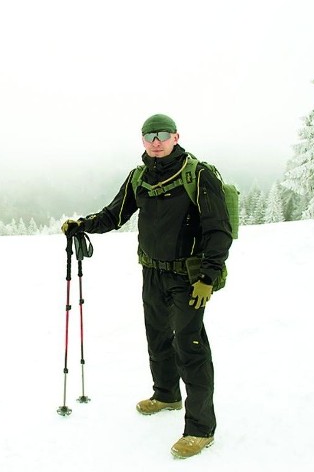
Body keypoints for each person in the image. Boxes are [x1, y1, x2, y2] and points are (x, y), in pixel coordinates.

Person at [62, 113, 233, 459]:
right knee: (157, 336)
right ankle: (167, 393)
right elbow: (114, 215)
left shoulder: (197, 175)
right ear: (143, 141)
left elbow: (219, 229)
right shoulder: (139, 177)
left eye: (163, 134)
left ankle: (201, 428)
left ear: (175, 136)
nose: (156, 141)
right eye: (149, 135)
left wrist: (208, 277)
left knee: (190, 345)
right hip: (152, 273)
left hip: (189, 277)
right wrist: (83, 225)